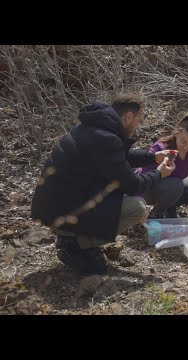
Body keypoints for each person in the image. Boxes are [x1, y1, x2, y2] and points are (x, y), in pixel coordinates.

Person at [31, 93, 178, 275]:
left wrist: (152, 157)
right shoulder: (106, 138)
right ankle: (75, 243)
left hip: (58, 204)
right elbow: (132, 186)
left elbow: (119, 158)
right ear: (128, 117)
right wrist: (159, 173)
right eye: (139, 120)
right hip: (62, 209)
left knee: (116, 203)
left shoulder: (94, 128)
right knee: (137, 207)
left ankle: (76, 237)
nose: (138, 126)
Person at [136, 112, 188, 221]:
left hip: (173, 187)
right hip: (149, 189)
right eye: (183, 141)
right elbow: (144, 176)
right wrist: (141, 204)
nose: (186, 147)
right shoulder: (161, 148)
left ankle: (170, 208)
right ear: (176, 133)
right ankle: (156, 214)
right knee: (176, 185)